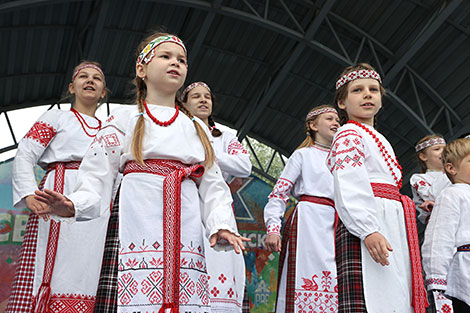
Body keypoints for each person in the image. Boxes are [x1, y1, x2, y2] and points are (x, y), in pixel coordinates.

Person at [33, 32, 248, 313]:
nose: (176, 63)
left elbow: (213, 185)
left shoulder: (196, 127)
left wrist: (221, 224)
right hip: (134, 220)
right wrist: (74, 204)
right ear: (141, 69)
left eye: (181, 60)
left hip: (186, 226)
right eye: (166, 56)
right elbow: (97, 177)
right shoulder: (124, 119)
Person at [6, 61, 109, 313]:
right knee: (47, 262)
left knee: (93, 263)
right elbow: (26, 153)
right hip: (57, 190)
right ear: (72, 87)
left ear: (104, 92)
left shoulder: (111, 129)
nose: (90, 81)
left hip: (96, 200)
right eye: (83, 76)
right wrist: (29, 193)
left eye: (97, 78)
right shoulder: (57, 117)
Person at [326, 63, 428, 313]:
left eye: (373, 89)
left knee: (394, 293)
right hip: (369, 221)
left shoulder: (376, 136)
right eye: (357, 90)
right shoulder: (348, 133)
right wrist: (368, 229)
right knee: (374, 294)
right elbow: (349, 183)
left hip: (390, 221)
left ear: (381, 99)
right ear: (342, 103)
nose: (367, 94)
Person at [182, 81, 252, 312]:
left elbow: (244, 165)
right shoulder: (179, 130)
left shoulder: (226, 135)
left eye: (207, 97)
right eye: (196, 97)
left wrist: (208, 153)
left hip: (218, 201)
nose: (203, 100)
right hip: (186, 198)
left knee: (221, 259)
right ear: (183, 103)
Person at [264, 105, 340, 313]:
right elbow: (279, 193)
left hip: (338, 223)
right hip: (308, 222)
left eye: (337, 119)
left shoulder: (343, 160)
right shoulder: (302, 156)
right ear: (313, 125)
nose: (335, 122)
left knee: (336, 279)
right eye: (329, 118)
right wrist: (273, 229)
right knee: (303, 275)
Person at [422, 138, 470, 313]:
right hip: (465, 273)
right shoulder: (452, 194)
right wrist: (437, 277)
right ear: (451, 168)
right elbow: (439, 238)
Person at [410, 135, 451, 236]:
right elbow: (432, 197)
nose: (444, 152)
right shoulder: (418, 179)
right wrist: (450, 170)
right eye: (437, 149)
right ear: (423, 156)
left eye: (445, 149)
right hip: (440, 228)